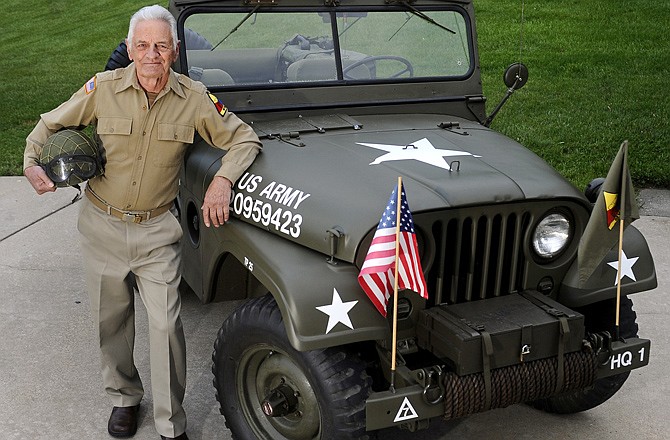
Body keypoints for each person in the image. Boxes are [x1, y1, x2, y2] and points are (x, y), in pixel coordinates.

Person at [23, 5, 261, 440]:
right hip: (102, 225)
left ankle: (172, 422)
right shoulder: (104, 89)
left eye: (161, 46)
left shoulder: (194, 99)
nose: (152, 54)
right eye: (143, 45)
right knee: (110, 320)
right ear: (130, 48)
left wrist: (222, 179)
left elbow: (244, 137)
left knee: (167, 325)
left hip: (156, 232)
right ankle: (124, 399)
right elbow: (47, 124)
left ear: (175, 50)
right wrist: (31, 162)